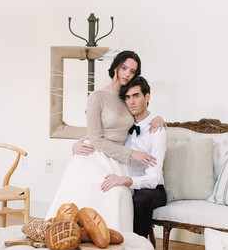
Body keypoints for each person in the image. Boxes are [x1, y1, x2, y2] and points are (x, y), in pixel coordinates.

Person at [45, 51, 161, 231]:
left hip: (118, 160)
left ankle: (112, 240)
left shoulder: (128, 96)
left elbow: (142, 116)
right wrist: (132, 153)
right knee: (95, 189)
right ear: (115, 67)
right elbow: (96, 138)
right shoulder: (96, 97)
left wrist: (160, 120)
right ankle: (74, 235)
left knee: (119, 193)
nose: (127, 74)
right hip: (95, 155)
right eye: (124, 68)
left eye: (132, 71)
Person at [74, 76, 167, 238]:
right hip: (125, 181)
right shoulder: (124, 126)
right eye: (128, 97)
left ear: (147, 97)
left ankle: (138, 246)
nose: (131, 102)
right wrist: (75, 146)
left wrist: (125, 180)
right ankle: (99, 239)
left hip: (151, 188)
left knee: (140, 200)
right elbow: (101, 140)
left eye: (136, 96)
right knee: (99, 188)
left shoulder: (156, 130)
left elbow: (153, 179)